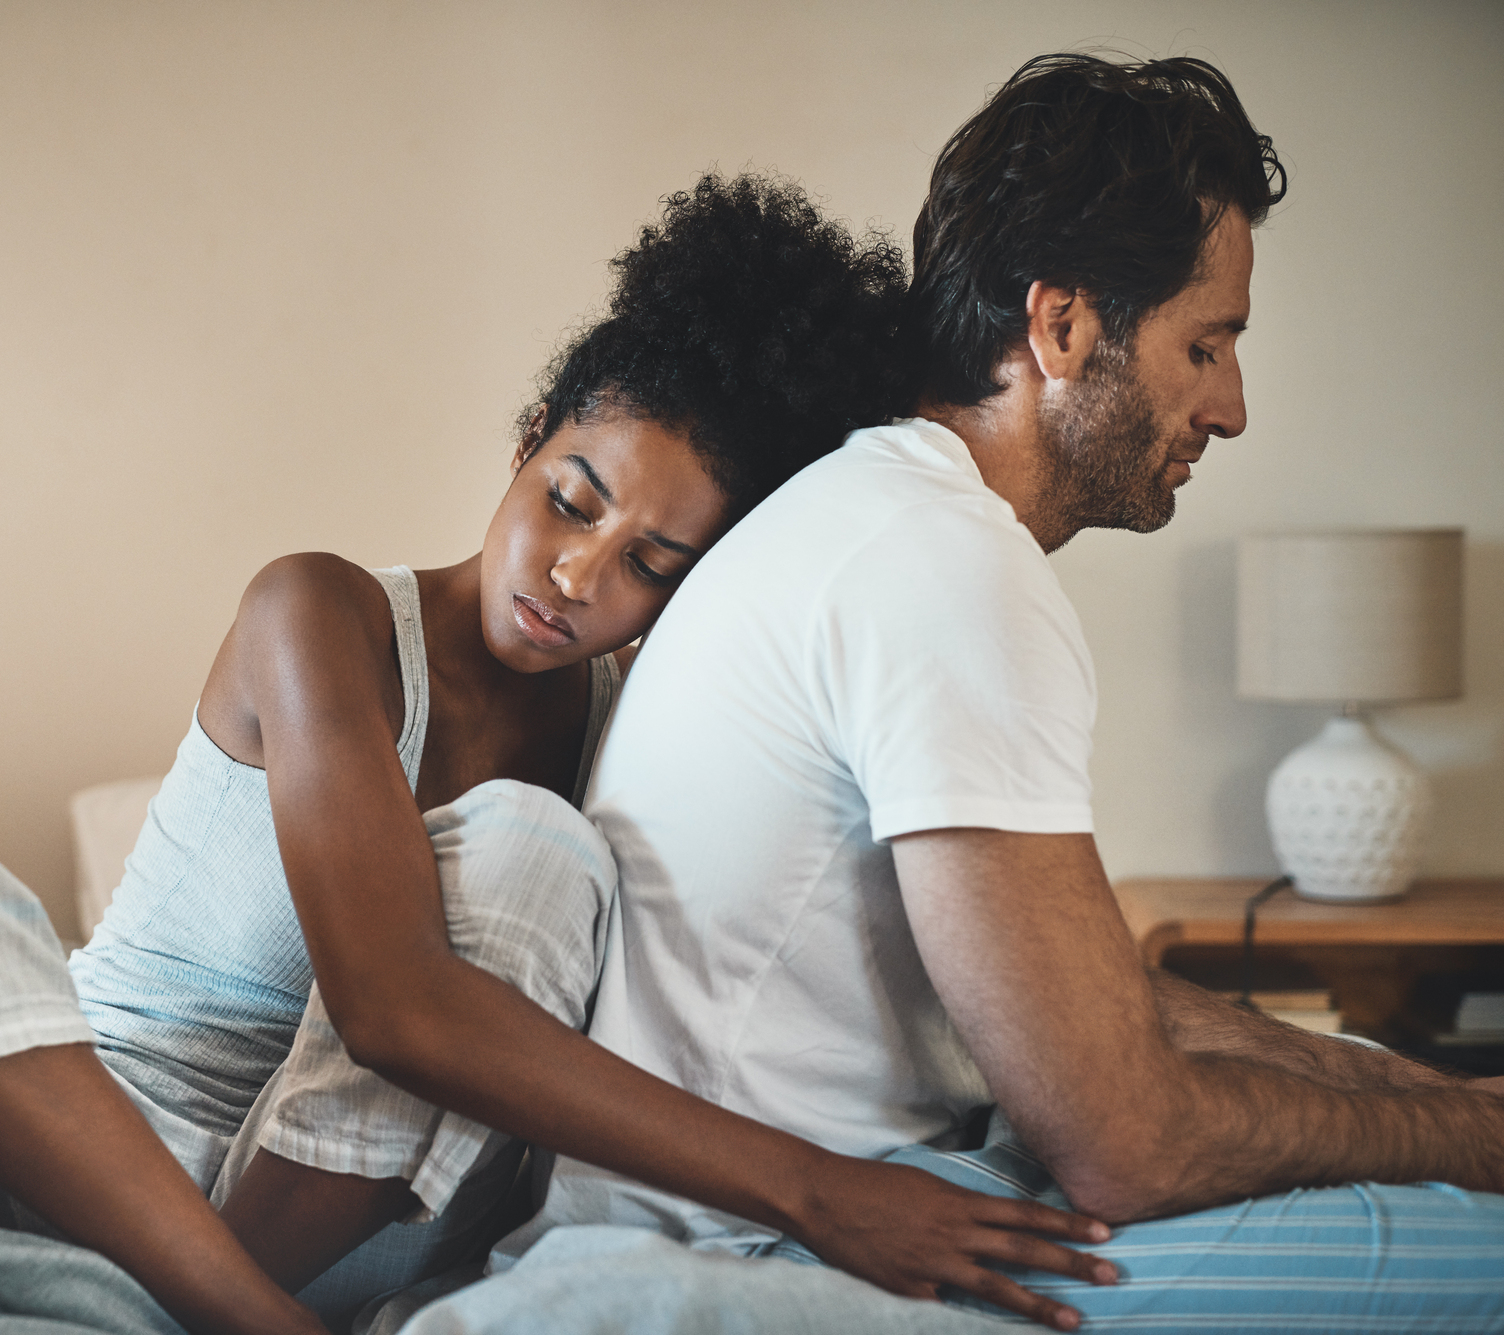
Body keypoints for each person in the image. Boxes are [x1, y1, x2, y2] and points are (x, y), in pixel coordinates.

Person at [0, 174, 1113, 1335]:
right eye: (570, 498)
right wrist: (814, 1189)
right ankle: (205, 1308)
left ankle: (189, 1307)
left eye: (649, 565)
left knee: (538, 850)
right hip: (47, 1132)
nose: (576, 572)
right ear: (526, 442)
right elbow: (390, 1000)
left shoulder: (635, 740)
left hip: (319, 1225)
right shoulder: (318, 611)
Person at [392, 54, 1504, 1331]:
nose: (1230, 407)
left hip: (871, 1174)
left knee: (1387, 1098)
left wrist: (1408, 1093)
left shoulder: (884, 514)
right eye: (1204, 345)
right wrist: (1460, 1136)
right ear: (1062, 326)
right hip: (757, 1247)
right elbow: (1124, 1142)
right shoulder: (946, 566)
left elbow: (1083, 1003)